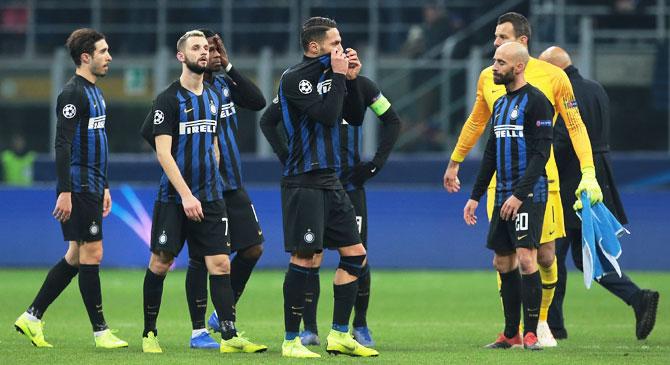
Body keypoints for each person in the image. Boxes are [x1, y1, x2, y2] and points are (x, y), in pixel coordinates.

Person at [443, 12, 603, 347]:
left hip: (543, 181)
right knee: (505, 257)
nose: (495, 45)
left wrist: (588, 171)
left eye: (502, 39)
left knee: (544, 256)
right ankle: (514, 331)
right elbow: (477, 123)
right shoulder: (490, 78)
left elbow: (575, 126)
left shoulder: (552, 78)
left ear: (522, 43)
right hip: (499, 184)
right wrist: (456, 160)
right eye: (495, 39)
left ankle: (541, 323)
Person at [138, 30, 263, 354]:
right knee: (161, 262)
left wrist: (211, 174)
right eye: (196, 47)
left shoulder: (213, 95)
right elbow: (163, 152)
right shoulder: (168, 99)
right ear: (181, 56)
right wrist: (186, 194)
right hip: (174, 198)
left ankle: (229, 335)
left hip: (211, 195)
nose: (204, 52)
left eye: (206, 48)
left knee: (220, 263)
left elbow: (215, 141)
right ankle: (150, 333)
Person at [260, 74, 401, 347]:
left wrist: (375, 164)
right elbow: (267, 119)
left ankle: (358, 324)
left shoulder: (361, 85)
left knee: (357, 254)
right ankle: (309, 328)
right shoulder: (306, 86)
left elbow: (393, 120)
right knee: (311, 255)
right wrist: (286, 156)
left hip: (349, 185)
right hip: (315, 184)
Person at [14, 28, 127, 349]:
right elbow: (62, 144)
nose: (109, 57)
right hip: (77, 187)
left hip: (92, 185)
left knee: (77, 255)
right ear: (85, 57)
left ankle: (32, 317)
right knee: (93, 252)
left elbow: (99, 143)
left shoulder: (96, 92)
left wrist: (104, 185)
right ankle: (101, 331)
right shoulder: (72, 93)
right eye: (103, 51)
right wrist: (64, 191)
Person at [538, 46, 660, 341]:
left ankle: (553, 324)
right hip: (597, 176)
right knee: (583, 256)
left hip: (571, 180)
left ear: (554, 70)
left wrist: (539, 161)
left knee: (554, 252)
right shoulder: (596, 89)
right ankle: (636, 297)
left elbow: (564, 138)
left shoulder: (563, 91)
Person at [274, 16, 378, 358]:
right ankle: (291, 340)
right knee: (305, 258)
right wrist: (336, 75)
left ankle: (338, 334)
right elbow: (327, 115)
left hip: (331, 180)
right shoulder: (295, 79)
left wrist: (350, 79)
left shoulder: (332, 76)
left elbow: (353, 116)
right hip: (304, 180)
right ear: (314, 47)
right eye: (335, 43)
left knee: (355, 255)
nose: (342, 48)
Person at [464, 41, 553, 351]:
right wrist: (475, 195)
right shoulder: (500, 103)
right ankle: (510, 333)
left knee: (527, 258)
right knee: (502, 262)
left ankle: (531, 334)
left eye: (500, 62)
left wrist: (519, 194)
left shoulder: (538, 102)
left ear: (518, 66)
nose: (494, 66)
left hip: (528, 192)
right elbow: (490, 152)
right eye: (493, 60)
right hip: (502, 193)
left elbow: (542, 153)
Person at [184, 28, 268, 350]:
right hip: (204, 187)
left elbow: (258, 101)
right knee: (199, 260)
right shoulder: (185, 93)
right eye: (204, 48)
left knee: (253, 248)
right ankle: (197, 331)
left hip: (233, 183)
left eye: (214, 48)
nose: (210, 53)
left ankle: (223, 313)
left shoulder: (223, 85)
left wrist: (229, 66)